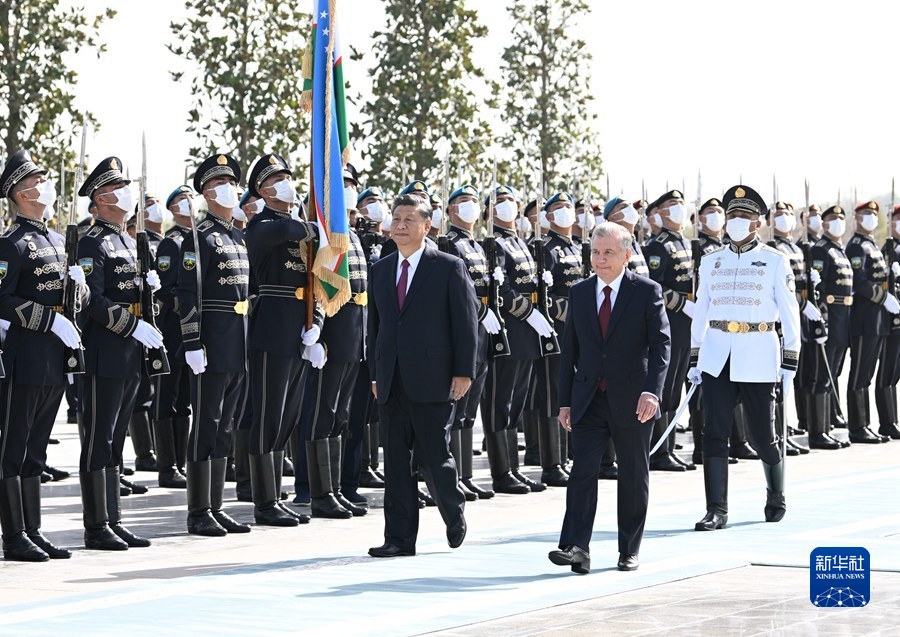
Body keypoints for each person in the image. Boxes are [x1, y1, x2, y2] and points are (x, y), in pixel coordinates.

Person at [548, 222, 670, 574]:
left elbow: (662, 345)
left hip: (633, 399)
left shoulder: (646, 291)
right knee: (582, 472)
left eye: (608, 253)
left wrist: (653, 391)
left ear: (627, 256)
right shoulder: (580, 292)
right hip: (589, 398)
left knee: (633, 473)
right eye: (595, 253)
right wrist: (565, 401)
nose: (600, 260)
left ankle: (628, 548)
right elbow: (569, 349)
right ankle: (575, 547)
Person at [366, 193, 477, 558]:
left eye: (408, 220)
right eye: (396, 219)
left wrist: (464, 372)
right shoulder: (381, 269)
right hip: (392, 378)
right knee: (396, 461)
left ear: (427, 225)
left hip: (434, 377)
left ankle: (452, 508)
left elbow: (465, 323)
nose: (400, 226)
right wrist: (375, 371)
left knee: (433, 455)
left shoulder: (447, 266)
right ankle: (398, 538)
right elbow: (376, 327)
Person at [689, 185, 800, 532]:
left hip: (758, 352)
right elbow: (701, 310)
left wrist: (790, 358)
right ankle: (716, 509)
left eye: (744, 216)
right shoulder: (710, 261)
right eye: (732, 215)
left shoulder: (774, 261)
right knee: (713, 433)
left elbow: (790, 310)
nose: (736, 221)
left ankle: (775, 493)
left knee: (762, 435)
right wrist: (696, 357)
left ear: (758, 223)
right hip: (719, 354)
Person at [0, 150, 88, 561]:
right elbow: (3, 299)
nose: (44, 184)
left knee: (37, 448)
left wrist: (80, 286)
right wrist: (46, 321)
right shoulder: (10, 243)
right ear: (20, 192)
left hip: (56, 356)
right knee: (13, 446)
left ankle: (32, 530)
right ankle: (13, 536)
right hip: (27, 352)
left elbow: (74, 300)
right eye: (35, 179)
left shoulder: (57, 239)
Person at [77, 156, 164, 550]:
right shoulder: (91, 241)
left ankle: (113, 519)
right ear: (101, 196)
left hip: (131, 350)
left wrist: (152, 294)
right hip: (105, 347)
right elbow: (91, 299)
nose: (127, 193)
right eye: (118, 187)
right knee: (99, 436)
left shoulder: (130, 239)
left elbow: (137, 295)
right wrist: (131, 325)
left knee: (115, 439)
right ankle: (96, 526)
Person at [177, 154, 254, 536]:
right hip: (210, 344)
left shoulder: (237, 235)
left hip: (236, 343)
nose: (230, 189)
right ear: (207, 192)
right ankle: (198, 511)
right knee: (205, 423)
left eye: (232, 182)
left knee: (225, 426)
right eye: (221, 184)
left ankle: (216, 505)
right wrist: (192, 341)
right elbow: (187, 293)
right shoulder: (200, 237)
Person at [244, 153, 319, 527]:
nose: (288, 183)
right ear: (264, 189)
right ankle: (263, 501)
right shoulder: (262, 225)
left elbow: (312, 279)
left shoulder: (297, 225)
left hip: (298, 328)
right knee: (269, 415)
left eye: (290, 176)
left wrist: (315, 324)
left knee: (288, 417)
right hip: (271, 328)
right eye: (279, 178)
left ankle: (276, 496)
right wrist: (317, 224)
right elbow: (284, 233)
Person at [643, 190, 695, 471]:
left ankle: (667, 446)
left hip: (688, 326)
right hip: (671, 322)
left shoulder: (688, 243)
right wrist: (682, 304)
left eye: (680, 204)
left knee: (675, 389)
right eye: (671, 205)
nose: (678, 209)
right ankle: (658, 450)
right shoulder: (658, 246)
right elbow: (655, 286)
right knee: (664, 388)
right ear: (660, 213)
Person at [152, 186, 195, 488]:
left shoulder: (200, 239)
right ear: (172, 209)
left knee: (186, 400)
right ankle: (167, 466)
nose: (189, 203)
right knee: (167, 396)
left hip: (194, 329)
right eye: (182, 199)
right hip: (173, 328)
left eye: (191, 197)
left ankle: (182, 462)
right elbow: (165, 290)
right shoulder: (172, 243)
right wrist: (191, 308)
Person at [844, 201, 898, 443]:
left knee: (867, 375)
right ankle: (857, 427)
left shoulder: (872, 245)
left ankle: (868, 425)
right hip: (864, 318)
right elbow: (859, 281)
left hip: (877, 320)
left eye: (874, 215)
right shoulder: (856, 247)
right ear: (856, 217)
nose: (871, 218)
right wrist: (883, 297)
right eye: (866, 214)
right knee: (859, 375)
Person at [875, 204, 900, 439]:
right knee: (888, 373)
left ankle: (894, 419)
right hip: (892, 320)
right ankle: (887, 421)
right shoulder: (888, 249)